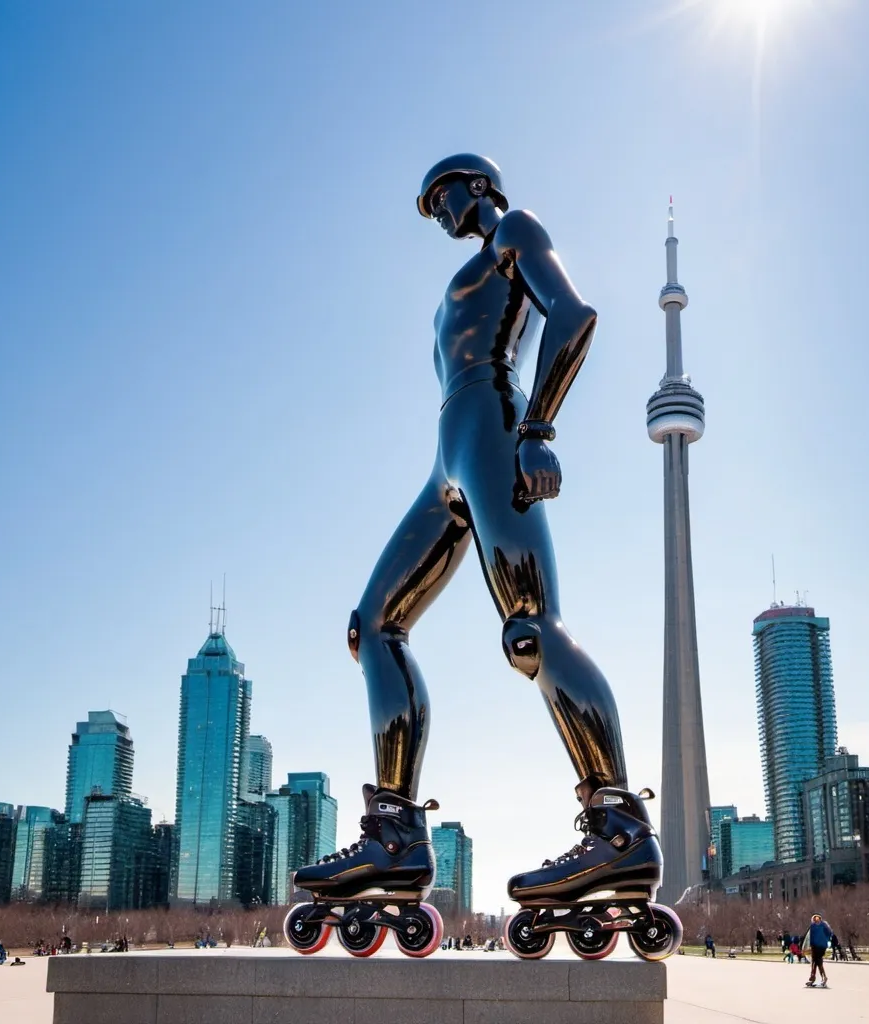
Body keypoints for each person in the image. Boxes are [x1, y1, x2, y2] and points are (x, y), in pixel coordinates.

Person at [291, 154, 657, 940]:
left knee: (530, 628)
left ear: (477, 185)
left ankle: (617, 826)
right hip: (447, 453)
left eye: (442, 196)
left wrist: (537, 430)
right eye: (427, 204)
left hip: (495, 422)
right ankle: (394, 831)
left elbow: (575, 314)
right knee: (373, 625)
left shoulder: (515, 234)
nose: (437, 212)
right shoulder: (460, 275)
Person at [803, 913, 832, 988]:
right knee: (817, 962)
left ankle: (815, 977)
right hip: (817, 946)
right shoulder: (821, 926)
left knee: (816, 962)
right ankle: (819, 977)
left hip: (819, 946)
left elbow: (809, 937)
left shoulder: (819, 926)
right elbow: (809, 937)